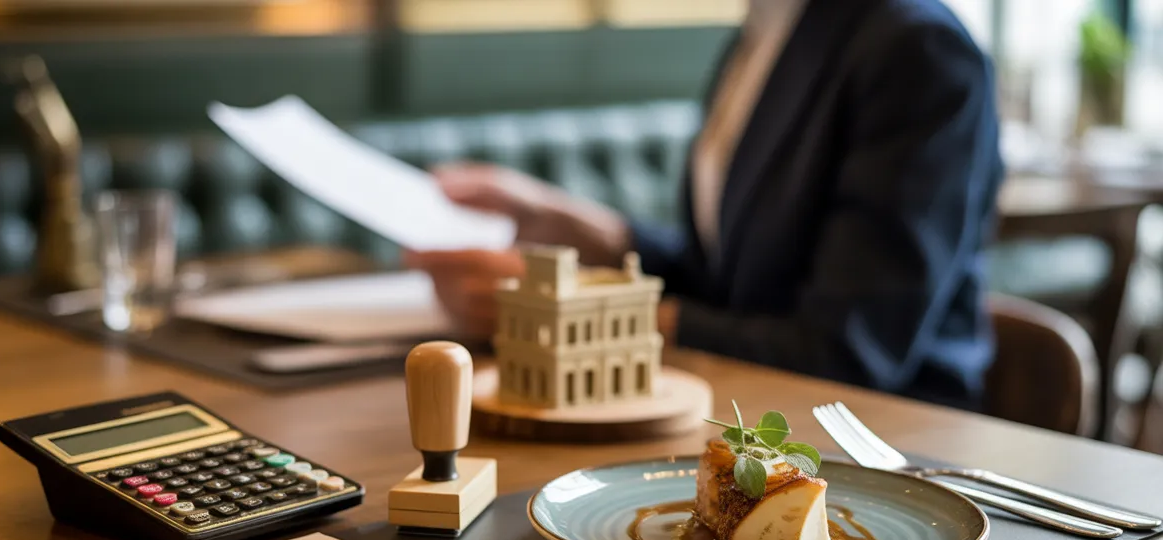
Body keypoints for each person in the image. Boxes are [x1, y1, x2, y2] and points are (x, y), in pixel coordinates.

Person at [407, 0, 1004, 410]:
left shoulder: (916, 48)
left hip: (889, 446)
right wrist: (587, 231)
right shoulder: (766, 32)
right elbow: (732, 281)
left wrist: (575, 315)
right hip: (746, 412)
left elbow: (846, 351)